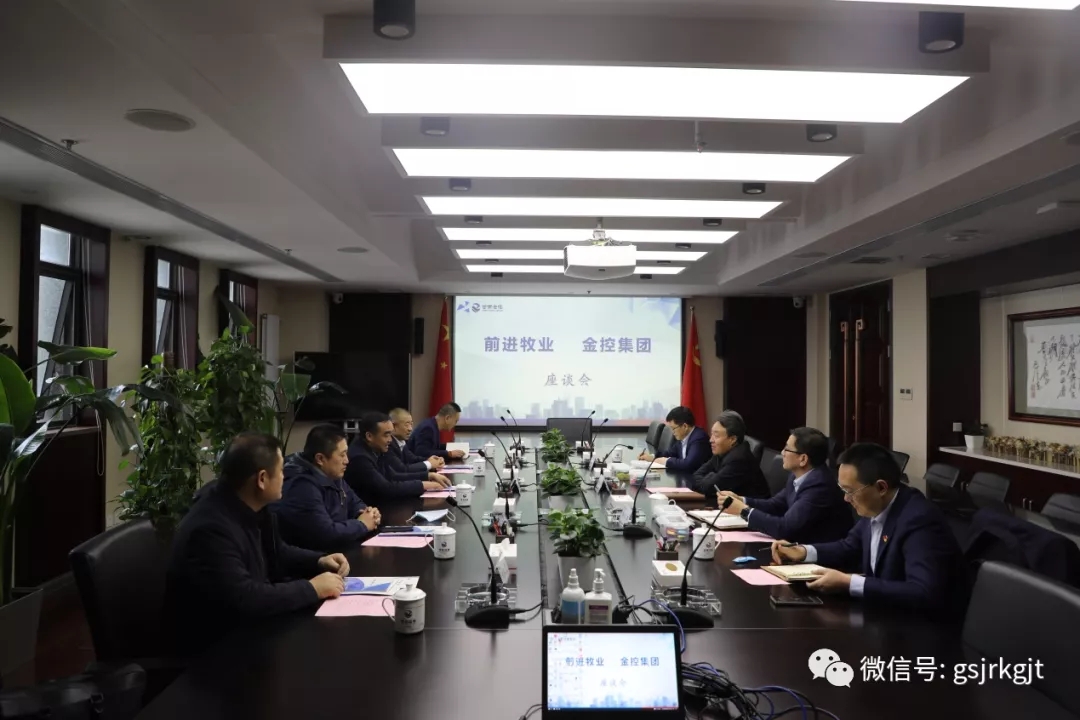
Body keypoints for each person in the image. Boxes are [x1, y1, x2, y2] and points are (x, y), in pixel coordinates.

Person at [165, 433, 350, 656]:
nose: (284, 476)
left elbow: (277, 551)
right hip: (214, 653)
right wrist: (311, 589)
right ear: (262, 479)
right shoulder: (210, 529)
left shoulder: (251, 506)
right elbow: (245, 597)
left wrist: (319, 560)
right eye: (281, 470)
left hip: (252, 633)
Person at [771, 442, 968, 615]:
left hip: (920, 629)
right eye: (843, 490)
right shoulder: (876, 506)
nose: (846, 499)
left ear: (881, 488)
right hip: (882, 614)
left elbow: (923, 592)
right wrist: (803, 552)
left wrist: (849, 583)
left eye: (850, 491)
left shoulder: (918, 519)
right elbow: (849, 546)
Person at [717, 427, 852, 543]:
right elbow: (775, 505)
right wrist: (741, 500)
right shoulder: (798, 475)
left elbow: (786, 528)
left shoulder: (819, 486)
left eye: (787, 449)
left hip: (821, 558)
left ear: (803, 459)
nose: (782, 453)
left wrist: (744, 510)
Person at [275, 424, 382, 552]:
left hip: (337, 552)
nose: (347, 460)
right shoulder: (301, 486)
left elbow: (356, 503)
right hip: (314, 559)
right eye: (342, 455)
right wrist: (362, 525)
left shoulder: (332, 474)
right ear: (320, 459)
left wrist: (369, 514)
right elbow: (326, 534)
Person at [346, 411, 450, 503]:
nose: (390, 440)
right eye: (386, 435)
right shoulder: (360, 458)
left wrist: (428, 476)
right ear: (369, 436)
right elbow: (386, 488)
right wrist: (423, 485)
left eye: (390, 434)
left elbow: (393, 475)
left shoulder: (375, 446)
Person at [691, 410, 769, 500]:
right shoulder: (722, 451)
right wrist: (712, 477)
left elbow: (709, 489)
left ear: (732, 439)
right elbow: (696, 475)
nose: (711, 440)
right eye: (711, 434)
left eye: (716, 436)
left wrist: (710, 476)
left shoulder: (739, 460)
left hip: (752, 507)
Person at [638, 406, 710, 473]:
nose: (672, 432)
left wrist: (666, 461)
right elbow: (670, 453)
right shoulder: (683, 437)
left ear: (685, 426)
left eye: (673, 428)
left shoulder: (699, 438)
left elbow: (688, 464)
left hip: (697, 480)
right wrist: (652, 457)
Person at [388, 407, 445, 472]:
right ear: (394, 426)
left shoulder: (401, 441)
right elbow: (402, 469)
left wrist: (431, 460)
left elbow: (413, 459)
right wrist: (429, 464)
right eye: (406, 425)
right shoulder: (388, 444)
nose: (410, 429)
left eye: (411, 424)